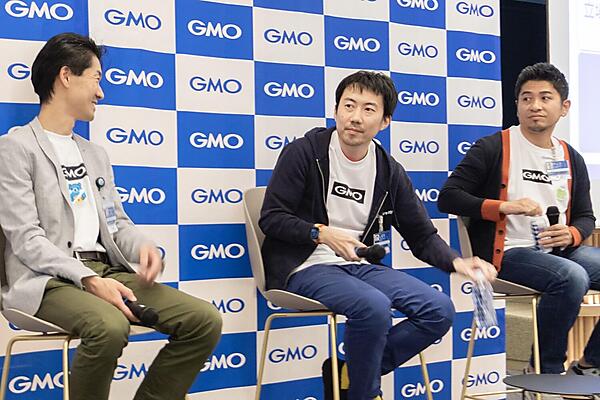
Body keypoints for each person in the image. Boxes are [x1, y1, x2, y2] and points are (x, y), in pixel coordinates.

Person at [0, 33, 222, 400]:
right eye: (96, 78)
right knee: (109, 326)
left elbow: (116, 224)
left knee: (204, 320)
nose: (101, 93)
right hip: (46, 281)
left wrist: (144, 247)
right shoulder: (15, 148)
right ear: (66, 76)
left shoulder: (95, 154)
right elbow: (26, 239)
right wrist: (87, 278)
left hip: (106, 271)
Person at [259, 70, 496, 400]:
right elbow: (272, 218)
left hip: (358, 266)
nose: (355, 117)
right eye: (348, 106)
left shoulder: (388, 170)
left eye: (368, 109)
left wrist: (458, 263)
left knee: (439, 309)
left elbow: (422, 235)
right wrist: (321, 233)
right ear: (335, 110)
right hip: (304, 265)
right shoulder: (304, 152)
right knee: (373, 306)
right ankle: (365, 392)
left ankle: (350, 377)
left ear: (385, 121)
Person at [438, 62, 600, 378]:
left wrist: (571, 234)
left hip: (560, 252)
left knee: (571, 270)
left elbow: (585, 216)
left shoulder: (571, 156)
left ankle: (589, 364)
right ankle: (545, 371)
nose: (535, 105)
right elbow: (449, 197)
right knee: (571, 277)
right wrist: (504, 206)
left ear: (564, 107)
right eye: (527, 98)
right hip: (507, 254)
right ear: (517, 105)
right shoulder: (493, 147)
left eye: (545, 97)